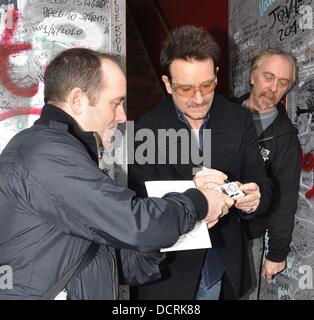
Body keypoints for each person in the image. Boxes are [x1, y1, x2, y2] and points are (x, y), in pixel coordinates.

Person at [0, 48, 234, 300]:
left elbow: (119, 262)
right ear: (77, 100)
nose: (123, 117)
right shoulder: (45, 153)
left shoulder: (62, 153)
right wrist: (199, 202)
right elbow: (136, 225)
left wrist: (186, 215)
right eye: (116, 102)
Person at [128, 25, 272, 300]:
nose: (198, 98)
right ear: (167, 84)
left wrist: (256, 197)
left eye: (206, 85)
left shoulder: (239, 119)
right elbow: (134, 207)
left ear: (217, 75)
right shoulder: (141, 130)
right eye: (185, 88)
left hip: (221, 264)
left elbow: (262, 181)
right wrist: (192, 190)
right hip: (168, 274)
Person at [237, 49, 301, 299]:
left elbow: (285, 201)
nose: (273, 87)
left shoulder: (286, 139)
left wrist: (276, 253)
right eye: (268, 77)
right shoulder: (221, 112)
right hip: (207, 228)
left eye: (282, 82)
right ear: (253, 77)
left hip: (248, 238)